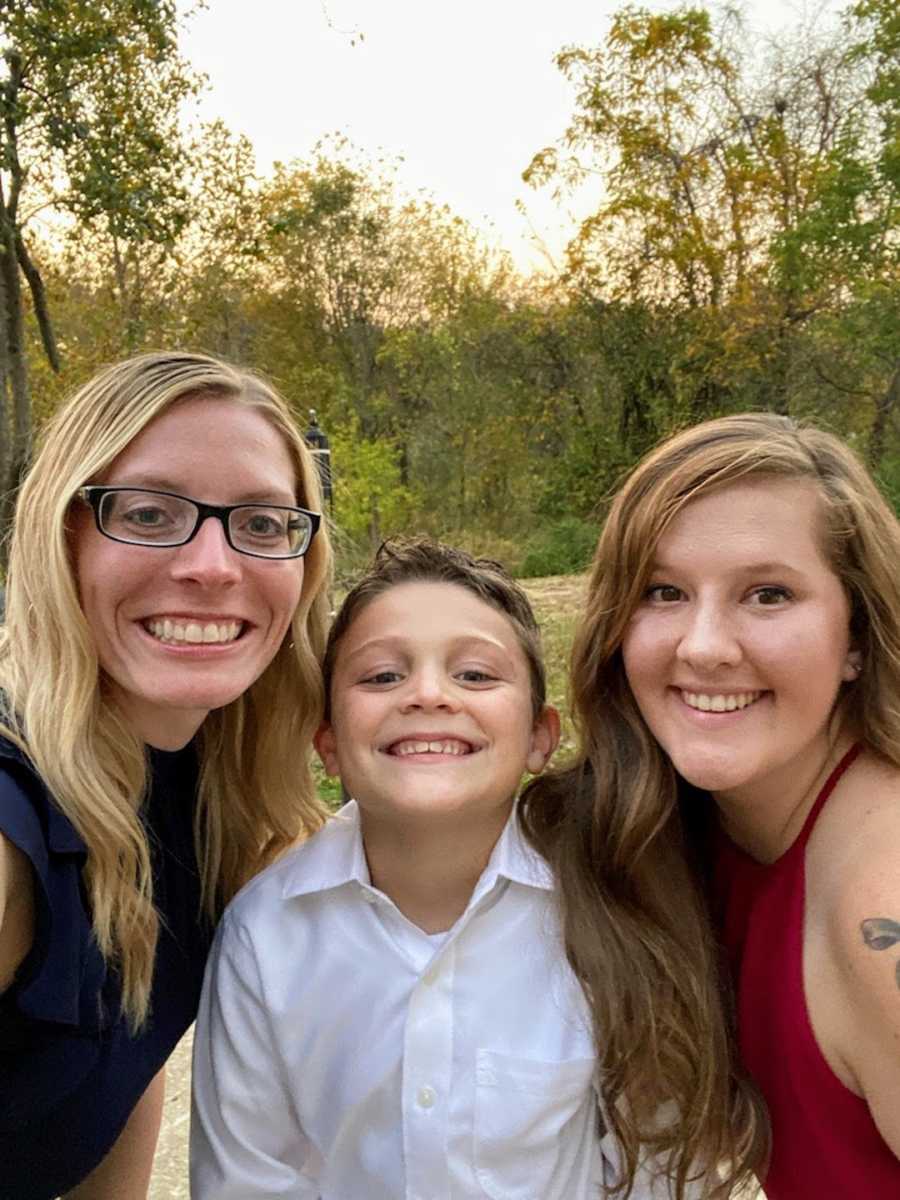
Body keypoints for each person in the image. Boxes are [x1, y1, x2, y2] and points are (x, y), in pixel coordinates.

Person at [192, 538, 703, 1199]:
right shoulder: (265, 936)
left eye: (475, 675)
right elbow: (247, 1181)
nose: (428, 694)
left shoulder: (610, 916)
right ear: (328, 747)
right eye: (381, 676)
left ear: (540, 738)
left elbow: (660, 1174)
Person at [527, 412, 900, 1198]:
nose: (702, 646)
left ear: (857, 636)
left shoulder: (881, 907)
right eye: (663, 591)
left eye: (768, 594)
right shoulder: (678, 824)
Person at [0, 350, 332, 1200]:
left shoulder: (216, 794)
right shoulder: (14, 838)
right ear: (61, 534)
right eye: (149, 514)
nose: (214, 565)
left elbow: (129, 1050)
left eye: (261, 523)